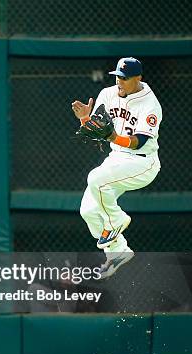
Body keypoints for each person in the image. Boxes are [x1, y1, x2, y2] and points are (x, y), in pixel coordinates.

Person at [71, 57, 162, 278]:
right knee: (89, 211)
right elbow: (96, 131)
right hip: (117, 158)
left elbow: (138, 141)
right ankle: (118, 251)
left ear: (138, 78)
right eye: (117, 76)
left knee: (96, 179)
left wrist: (112, 135)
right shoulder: (107, 94)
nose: (119, 81)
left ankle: (117, 220)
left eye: (125, 78)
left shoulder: (150, 105)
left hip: (142, 162)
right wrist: (85, 120)